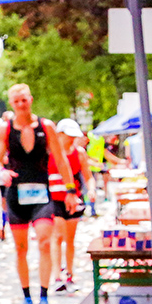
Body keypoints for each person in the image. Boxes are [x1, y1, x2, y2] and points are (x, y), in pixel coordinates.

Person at [0, 84, 78, 304]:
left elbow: (61, 159)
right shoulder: (5, 129)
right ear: (12, 104)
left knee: (44, 242)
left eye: (24, 100)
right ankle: (26, 296)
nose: (21, 105)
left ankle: (44, 295)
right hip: (16, 195)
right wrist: (1, 172)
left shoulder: (46, 126)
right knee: (21, 248)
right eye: (16, 101)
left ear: (31, 99)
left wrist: (70, 190)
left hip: (42, 194)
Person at [49, 119, 91, 293]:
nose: (72, 139)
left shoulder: (79, 153)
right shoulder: (50, 153)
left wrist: (92, 191)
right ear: (59, 134)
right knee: (58, 235)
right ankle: (57, 275)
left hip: (73, 200)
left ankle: (70, 273)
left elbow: (88, 175)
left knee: (70, 238)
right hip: (54, 199)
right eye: (69, 136)